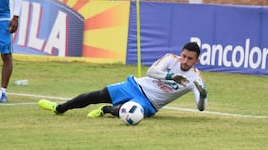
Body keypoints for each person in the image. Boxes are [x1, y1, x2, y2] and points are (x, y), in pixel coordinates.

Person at [38, 42, 208, 119]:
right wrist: (170, 76)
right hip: (135, 86)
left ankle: (106, 110)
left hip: (149, 104)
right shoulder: (171, 59)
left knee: (128, 113)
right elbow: (150, 72)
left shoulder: (196, 78)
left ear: (196, 61)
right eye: (184, 56)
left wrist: (202, 95)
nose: (185, 61)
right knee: (95, 95)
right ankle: (59, 108)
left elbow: (201, 108)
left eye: (190, 59)